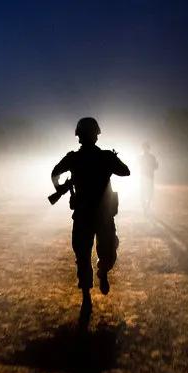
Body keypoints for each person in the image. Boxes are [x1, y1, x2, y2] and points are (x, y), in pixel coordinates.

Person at [51, 117, 130, 309]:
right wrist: (112, 158)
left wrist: (61, 187)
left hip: (84, 215)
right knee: (107, 251)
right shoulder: (105, 157)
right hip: (102, 215)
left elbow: (54, 173)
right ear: (96, 135)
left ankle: (87, 293)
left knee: (83, 255)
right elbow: (125, 171)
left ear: (79, 136)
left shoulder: (73, 158)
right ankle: (102, 272)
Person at [138, 142, 158, 211]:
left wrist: (154, 166)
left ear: (148, 148)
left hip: (149, 176)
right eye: (144, 147)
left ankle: (148, 203)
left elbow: (155, 166)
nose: (145, 149)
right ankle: (144, 204)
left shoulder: (152, 157)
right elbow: (137, 165)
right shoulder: (141, 157)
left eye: (146, 147)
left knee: (149, 190)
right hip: (143, 176)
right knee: (143, 190)